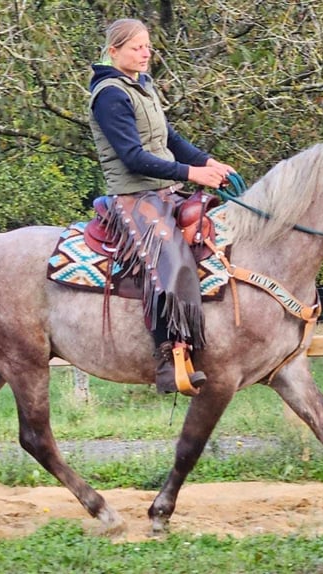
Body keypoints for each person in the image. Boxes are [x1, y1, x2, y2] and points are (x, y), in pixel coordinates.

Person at [88, 18, 237, 395]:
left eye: (147, 46)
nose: (145, 52)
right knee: (170, 263)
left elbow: (168, 138)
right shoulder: (110, 94)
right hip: (133, 196)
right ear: (114, 51)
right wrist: (192, 174)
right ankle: (168, 358)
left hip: (163, 191)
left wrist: (207, 163)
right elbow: (133, 157)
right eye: (136, 47)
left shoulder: (142, 87)